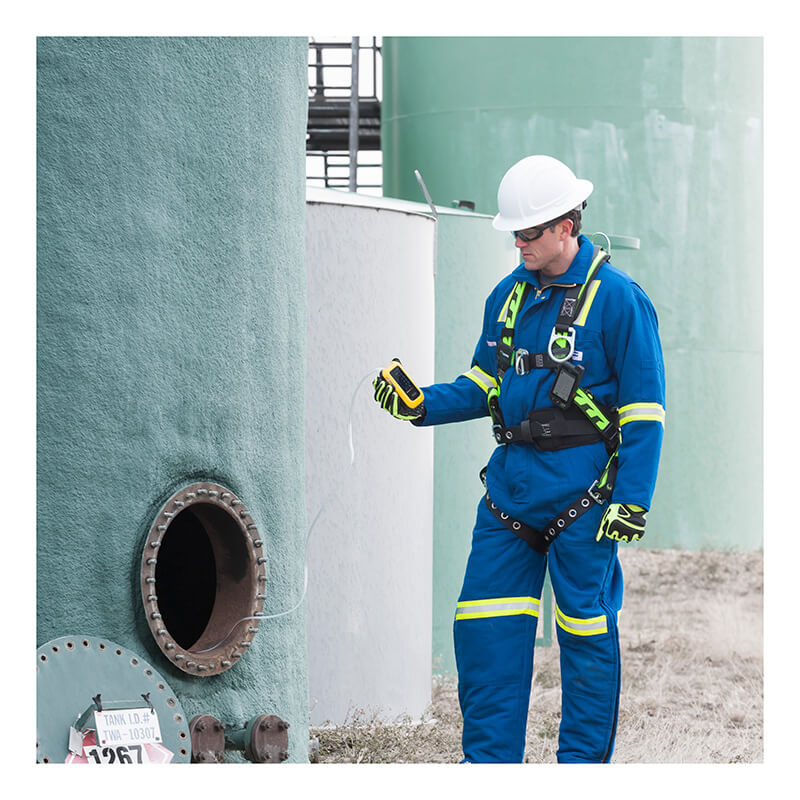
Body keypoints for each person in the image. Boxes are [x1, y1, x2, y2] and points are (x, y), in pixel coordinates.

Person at [373, 154, 665, 763]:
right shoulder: (505, 297)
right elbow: (484, 384)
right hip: (511, 494)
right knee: (484, 630)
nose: (519, 243)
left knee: (585, 634)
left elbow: (644, 411)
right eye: (515, 233)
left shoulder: (619, 300)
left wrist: (632, 500)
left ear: (566, 226)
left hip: (585, 498)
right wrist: (421, 404)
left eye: (529, 232)